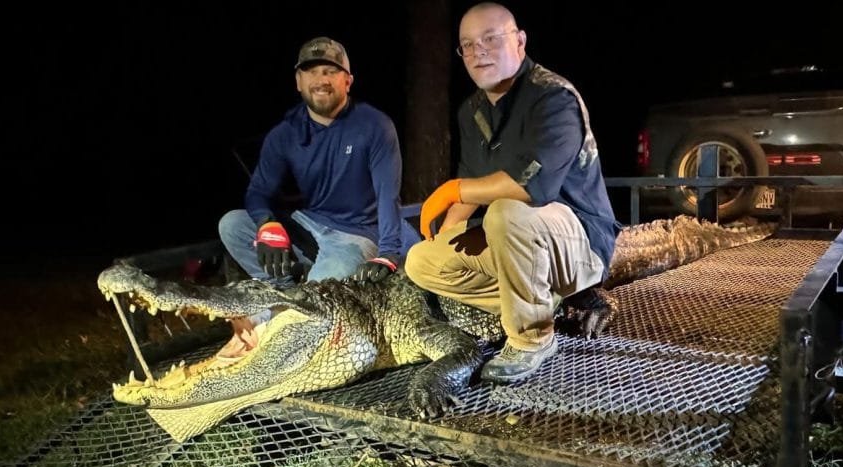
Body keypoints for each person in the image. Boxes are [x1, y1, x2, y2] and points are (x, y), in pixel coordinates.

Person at [404, 2, 621, 383]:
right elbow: (472, 189)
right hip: (515, 238)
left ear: (519, 41)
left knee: (506, 210)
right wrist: (443, 236)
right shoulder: (471, 111)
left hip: (578, 240)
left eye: (490, 38)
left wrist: (452, 190)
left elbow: (530, 187)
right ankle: (545, 302)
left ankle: (532, 336)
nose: (478, 51)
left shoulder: (553, 97)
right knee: (420, 260)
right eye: (467, 45)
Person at [219, 36, 404, 289]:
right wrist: (267, 223)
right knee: (232, 225)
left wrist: (389, 253)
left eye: (330, 71)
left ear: (347, 81)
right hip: (308, 224)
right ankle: (287, 286)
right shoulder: (284, 134)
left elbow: (388, 195)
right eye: (312, 72)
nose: (321, 80)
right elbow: (258, 192)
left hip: (356, 235)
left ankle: (305, 290)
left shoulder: (375, 126)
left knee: (319, 293)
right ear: (298, 81)